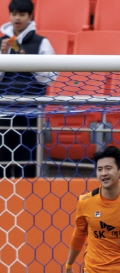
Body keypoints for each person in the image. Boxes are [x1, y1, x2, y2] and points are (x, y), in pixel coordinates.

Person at [0, 0, 55, 178]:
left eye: (22, 14)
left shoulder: (42, 43)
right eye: (14, 13)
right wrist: (3, 57)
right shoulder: (2, 43)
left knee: (28, 165)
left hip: (31, 113)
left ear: (30, 16)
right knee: (2, 163)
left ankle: (28, 203)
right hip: (3, 112)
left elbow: (49, 77)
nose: (17, 18)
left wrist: (28, 60)